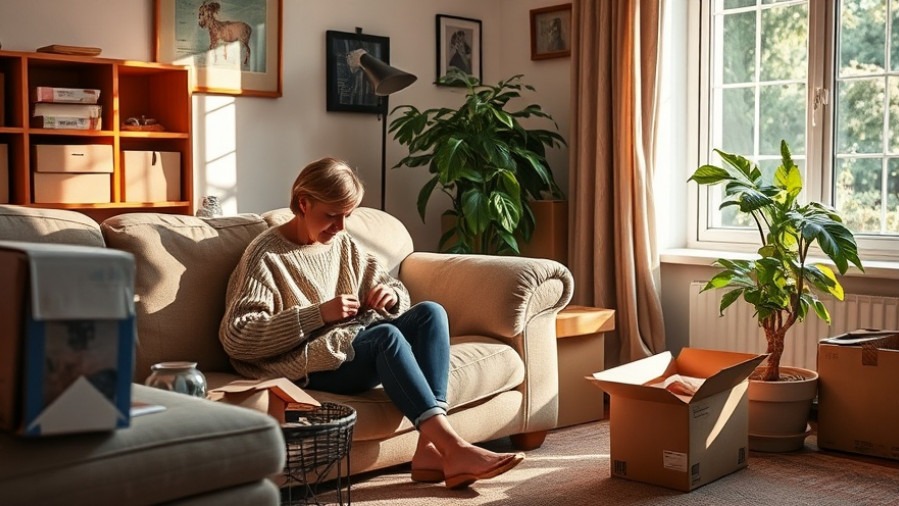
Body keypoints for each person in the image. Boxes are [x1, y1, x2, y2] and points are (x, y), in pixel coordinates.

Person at [219, 157, 524, 489]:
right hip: (305, 366)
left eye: (347, 216)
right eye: (332, 216)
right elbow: (237, 337)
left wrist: (389, 296)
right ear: (303, 203)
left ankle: (429, 450)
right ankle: (453, 446)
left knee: (430, 313)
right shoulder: (265, 257)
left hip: (348, 348)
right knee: (386, 337)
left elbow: (394, 288)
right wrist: (317, 314)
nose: (340, 227)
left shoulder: (342, 244)